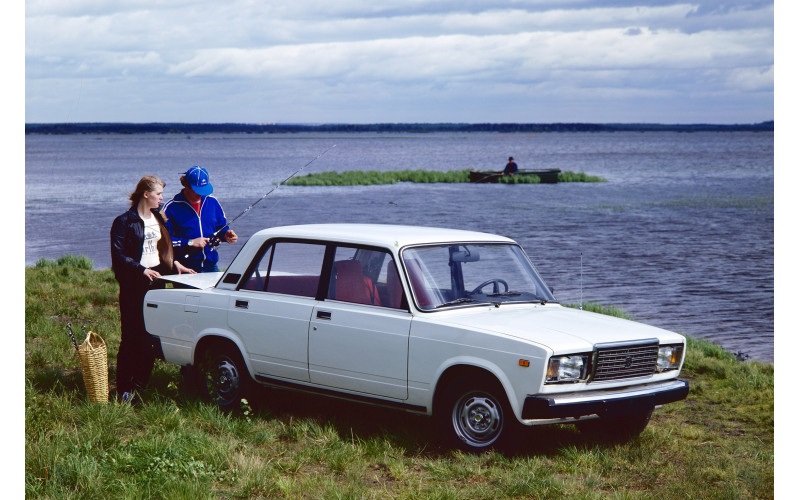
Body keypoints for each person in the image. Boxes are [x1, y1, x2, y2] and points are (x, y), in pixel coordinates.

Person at [110, 175, 195, 403]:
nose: (161, 198)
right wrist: (140, 270)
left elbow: (161, 250)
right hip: (134, 285)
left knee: (150, 336)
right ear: (146, 194)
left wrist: (175, 265)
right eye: (158, 194)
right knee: (131, 336)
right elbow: (118, 256)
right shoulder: (124, 222)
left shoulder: (158, 218)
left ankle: (141, 385)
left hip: (157, 282)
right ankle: (124, 389)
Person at [161, 166, 238, 273]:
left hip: (211, 267)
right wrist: (190, 242)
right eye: (197, 190)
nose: (201, 194)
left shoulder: (213, 202)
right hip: (184, 268)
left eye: (203, 190)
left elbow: (221, 228)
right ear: (186, 185)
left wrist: (226, 235)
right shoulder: (171, 208)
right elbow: (163, 241)